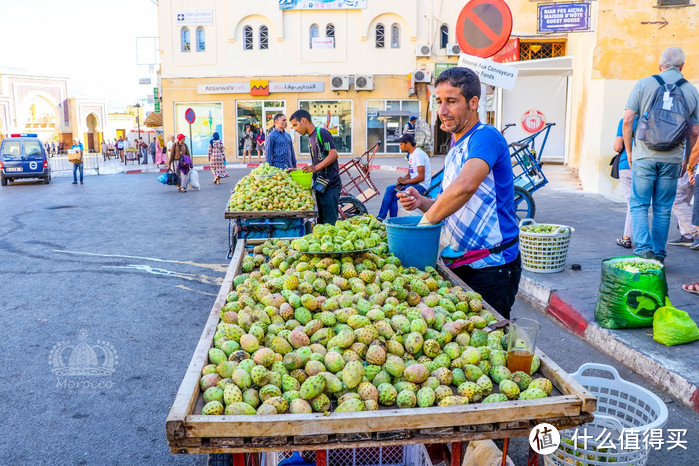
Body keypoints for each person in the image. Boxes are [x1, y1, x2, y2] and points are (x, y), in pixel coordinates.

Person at [398, 67, 521, 319]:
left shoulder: (485, 137)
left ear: (473, 103)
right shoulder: (456, 146)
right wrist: (423, 202)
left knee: (491, 342)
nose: (442, 111)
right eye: (439, 101)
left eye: (451, 101)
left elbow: (465, 187)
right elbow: (449, 203)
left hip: (492, 266)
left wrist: (423, 224)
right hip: (461, 261)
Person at [623, 47, 699, 262]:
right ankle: (658, 254)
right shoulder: (692, 90)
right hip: (672, 158)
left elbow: (628, 119)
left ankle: (643, 250)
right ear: (682, 66)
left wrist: (629, 151)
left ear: (660, 66)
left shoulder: (644, 83)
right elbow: (695, 132)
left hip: (644, 156)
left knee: (639, 204)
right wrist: (686, 160)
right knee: (663, 208)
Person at [290, 109, 341, 225]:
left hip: (330, 186)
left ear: (303, 120)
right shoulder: (310, 138)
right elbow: (319, 160)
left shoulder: (321, 133)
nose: (295, 129)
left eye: (295, 125)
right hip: (320, 186)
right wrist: (299, 170)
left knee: (330, 224)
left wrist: (315, 168)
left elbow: (333, 154)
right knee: (321, 222)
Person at [377, 133, 432, 220]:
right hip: (413, 184)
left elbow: (421, 178)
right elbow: (410, 174)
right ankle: (388, 218)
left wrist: (405, 182)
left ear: (408, 144)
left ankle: (382, 217)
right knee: (391, 189)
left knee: (391, 191)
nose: (400, 147)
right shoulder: (412, 154)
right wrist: (401, 180)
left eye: (401, 144)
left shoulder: (419, 155)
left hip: (421, 186)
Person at [614, 115, 637, 249]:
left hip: (627, 165)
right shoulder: (652, 120)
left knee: (632, 203)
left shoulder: (625, 121)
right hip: (646, 166)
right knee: (641, 203)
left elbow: (617, 147)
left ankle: (627, 237)